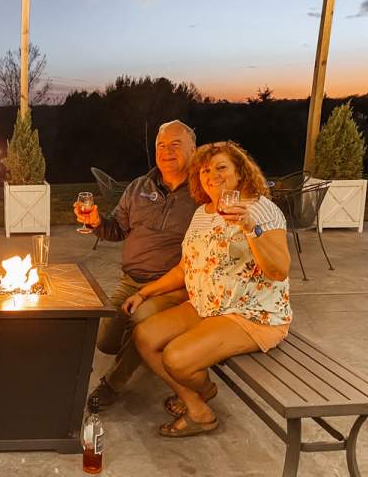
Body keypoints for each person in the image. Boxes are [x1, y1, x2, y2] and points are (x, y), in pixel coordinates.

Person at [133, 141, 291, 437]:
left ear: (240, 173)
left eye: (221, 167)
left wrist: (249, 227)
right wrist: (145, 292)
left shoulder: (260, 210)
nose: (212, 175)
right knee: (145, 335)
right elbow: (185, 267)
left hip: (251, 314)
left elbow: (279, 270)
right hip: (208, 304)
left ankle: (202, 398)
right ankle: (197, 403)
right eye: (206, 170)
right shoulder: (203, 213)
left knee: (176, 358)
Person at [75, 120, 198, 408]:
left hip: (172, 287)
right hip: (130, 281)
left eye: (175, 145)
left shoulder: (202, 193)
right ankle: (151, 349)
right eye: (161, 146)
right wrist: (96, 222)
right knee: (105, 341)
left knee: (142, 323)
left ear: (193, 149)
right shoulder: (138, 187)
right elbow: (116, 229)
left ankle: (113, 384)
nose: (166, 152)